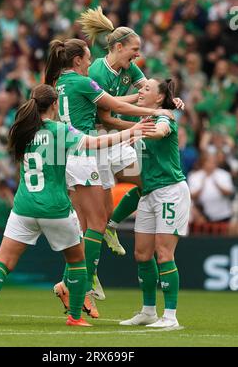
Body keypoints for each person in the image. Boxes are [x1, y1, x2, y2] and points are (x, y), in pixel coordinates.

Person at [0, 83, 148, 327]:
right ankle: (75, 317)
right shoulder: (60, 130)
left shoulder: (21, 130)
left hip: (23, 208)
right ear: (55, 105)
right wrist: (134, 131)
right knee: (77, 262)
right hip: (55, 208)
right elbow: (96, 143)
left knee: (2, 263)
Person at [44, 38, 168, 318]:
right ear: (77, 61)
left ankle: (72, 284)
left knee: (89, 224)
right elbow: (117, 108)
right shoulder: (82, 82)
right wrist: (154, 111)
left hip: (69, 154)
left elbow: (115, 103)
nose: (91, 63)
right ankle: (81, 287)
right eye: (87, 58)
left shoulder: (63, 83)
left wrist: (141, 102)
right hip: (83, 152)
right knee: (97, 222)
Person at [77, 6, 184, 255]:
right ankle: (86, 276)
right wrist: (138, 128)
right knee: (95, 221)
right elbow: (105, 117)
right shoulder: (97, 73)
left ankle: (113, 226)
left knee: (147, 182)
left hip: (116, 141)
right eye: (134, 49)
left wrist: (170, 101)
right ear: (118, 48)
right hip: (97, 141)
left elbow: (150, 91)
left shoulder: (128, 69)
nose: (138, 55)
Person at [120, 79, 191, 328]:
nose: (140, 91)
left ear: (159, 99)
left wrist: (135, 132)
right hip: (149, 193)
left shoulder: (166, 117)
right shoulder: (143, 119)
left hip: (170, 191)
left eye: (146, 89)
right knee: (142, 253)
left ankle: (170, 316)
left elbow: (161, 131)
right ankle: (148, 311)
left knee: (164, 253)